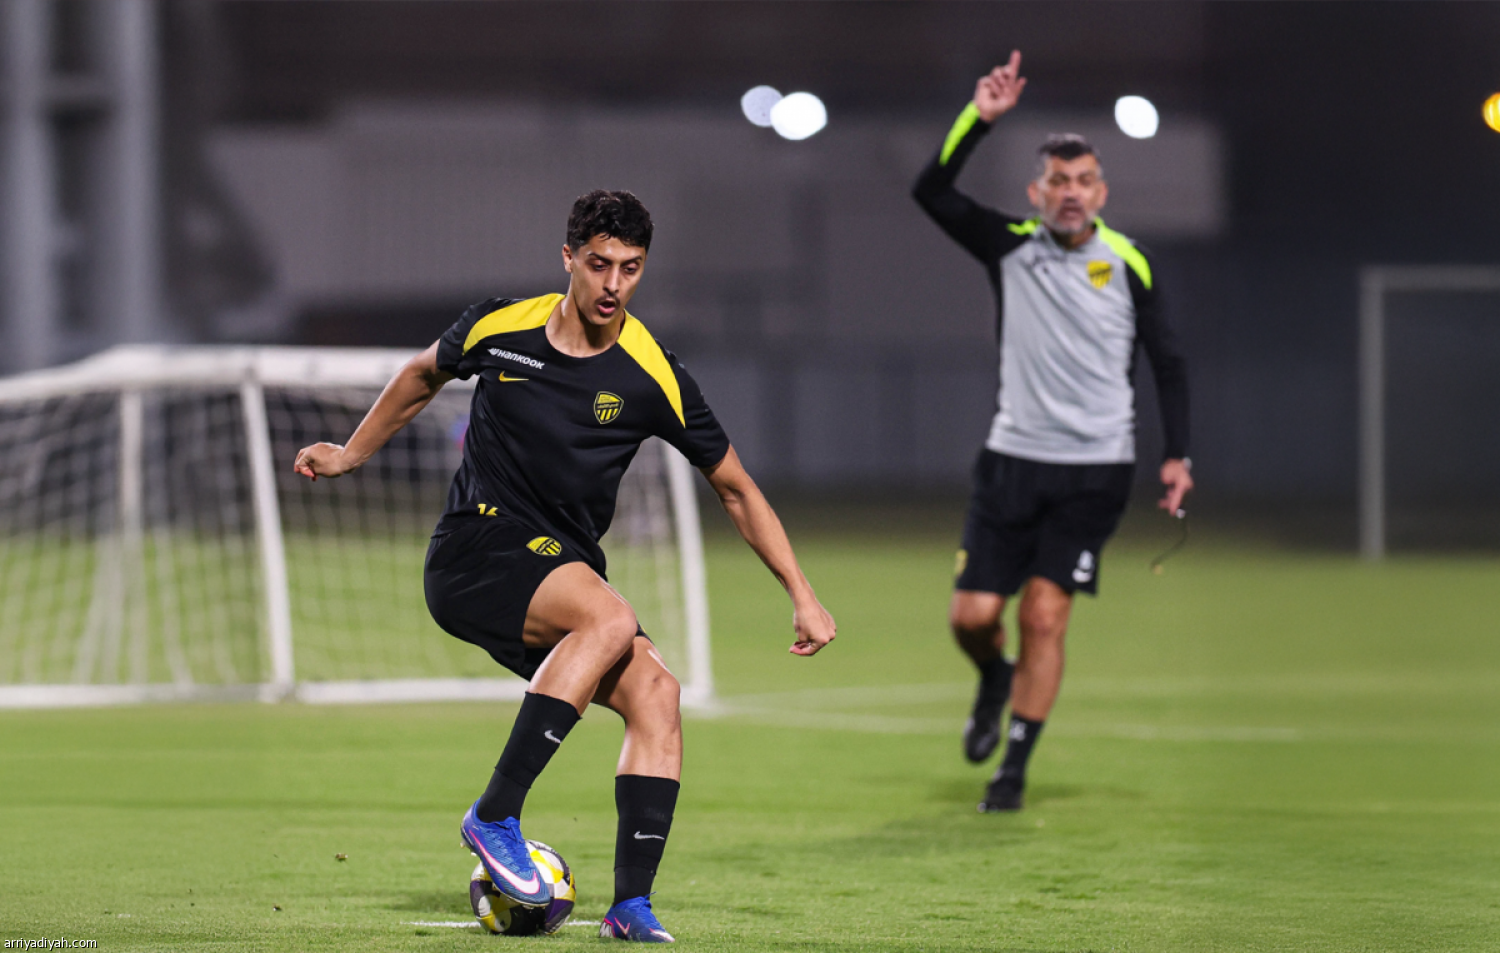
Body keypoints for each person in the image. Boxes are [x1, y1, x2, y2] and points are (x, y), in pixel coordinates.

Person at [294, 190, 836, 941]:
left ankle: (630, 906)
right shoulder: (500, 325)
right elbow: (422, 374)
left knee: (658, 694)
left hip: (557, 574)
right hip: (474, 549)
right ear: (568, 259)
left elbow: (737, 488)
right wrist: (351, 454)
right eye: (599, 264)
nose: (613, 284)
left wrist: (802, 593)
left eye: (631, 268)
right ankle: (495, 814)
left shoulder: (652, 373)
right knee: (610, 616)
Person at [911, 52, 1192, 813]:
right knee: (973, 618)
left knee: (1043, 614)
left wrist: (1177, 455)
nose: (1071, 192)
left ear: (1102, 192)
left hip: (1096, 469)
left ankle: (1012, 771)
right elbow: (929, 191)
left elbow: (1167, 359)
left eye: (1084, 181)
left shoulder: (1128, 262)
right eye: (1058, 181)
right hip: (1011, 461)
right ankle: (992, 677)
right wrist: (978, 120)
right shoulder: (1010, 245)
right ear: (1037, 193)